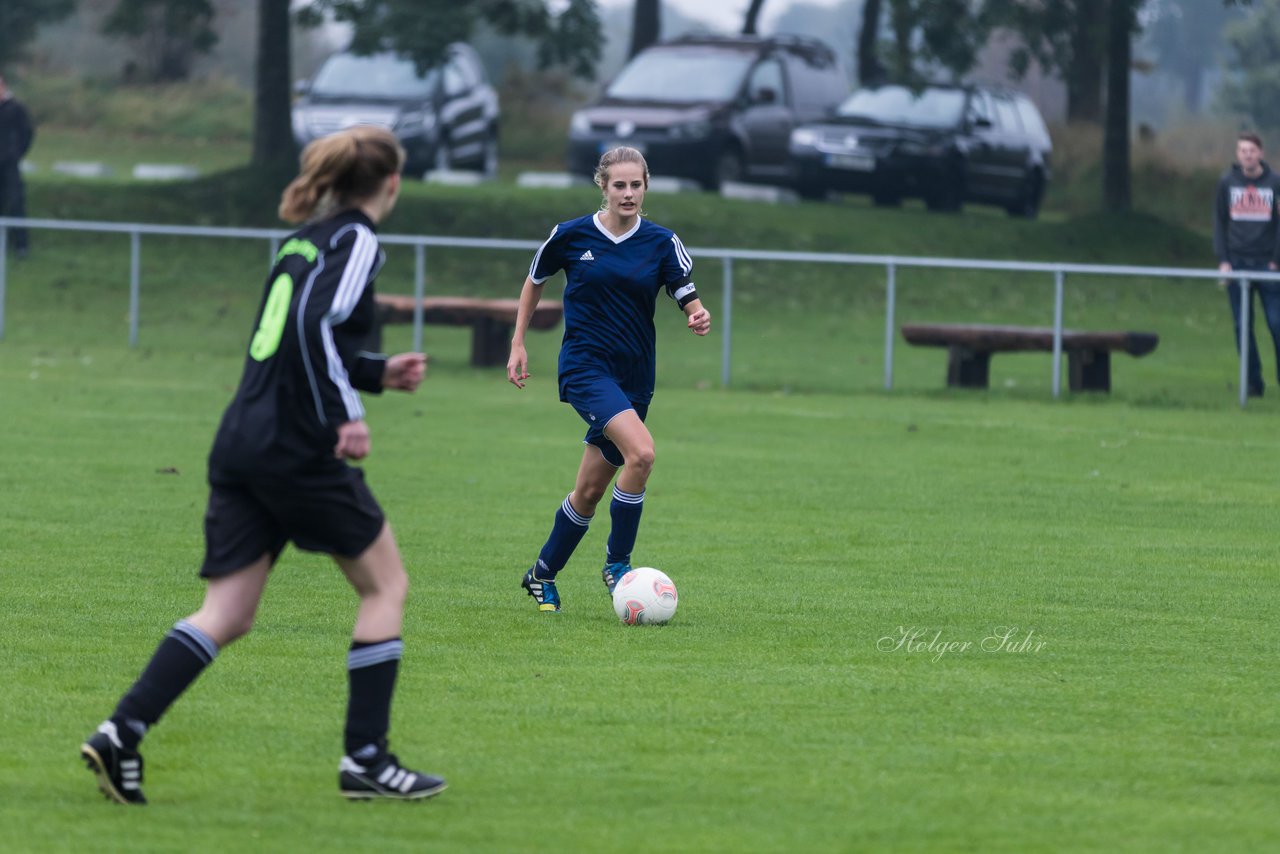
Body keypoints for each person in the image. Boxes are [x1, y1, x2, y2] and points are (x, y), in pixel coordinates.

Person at [80, 126, 445, 804]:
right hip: (295, 448)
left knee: (227, 610)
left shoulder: (304, 237)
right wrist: (347, 413)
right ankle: (367, 760)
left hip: (242, 440)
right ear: (390, 184)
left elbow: (289, 340)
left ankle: (120, 733)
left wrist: (373, 372)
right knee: (385, 587)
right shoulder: (356, 238)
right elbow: (310, 327)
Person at [507, 146, 712, 613]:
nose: (628, 193)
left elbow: (684, 289)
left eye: (635, 185)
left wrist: (696, 313)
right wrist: (518, 341)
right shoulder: (571, 234)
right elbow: (535, 278)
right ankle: (618, 565)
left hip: (636, 377)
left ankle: (541, 575)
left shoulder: (662, 242)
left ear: (645, 187)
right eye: (618, 185)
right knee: (642, 454)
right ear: (603, 186)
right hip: (585, 368)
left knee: (591, 490)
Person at [1215, 131, 1280, 397]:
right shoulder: (1227, 183)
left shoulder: (1275, 183)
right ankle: (1253, 382)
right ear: (1237, 154)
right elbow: (1219, 222)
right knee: (1242, 326)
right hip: (1238, 263)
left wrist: (1276, 260)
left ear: (1260, 153)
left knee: (1276, 324)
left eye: (1252, 150)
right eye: (1243, 150)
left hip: (1268, 265)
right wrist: (1223, 261)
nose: (1247, 155)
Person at [0, 73, 34, 259]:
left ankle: (20, 245)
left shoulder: (15, 108)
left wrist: (16, 153)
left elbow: (27, 133)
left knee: (15, 203)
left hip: (9, 164)